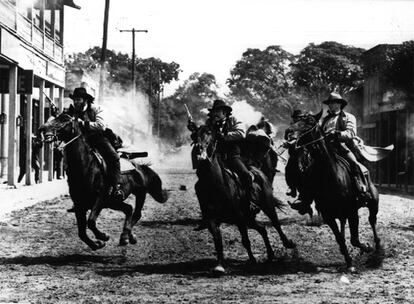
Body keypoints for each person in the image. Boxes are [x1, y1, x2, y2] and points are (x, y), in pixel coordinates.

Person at [290, 92, 370, 214]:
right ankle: (305, 199)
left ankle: (362, 191)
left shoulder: (348, 117)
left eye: (333, 103)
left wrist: (337, 134)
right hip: (325, 149)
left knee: (354, 163)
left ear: (339, 104)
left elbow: (351, 133)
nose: (331, 106)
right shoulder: (324, 120)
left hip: (342, 147)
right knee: (310, 169)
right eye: (330, 103)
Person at [188, 99, 256, 230]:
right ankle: (206, 218)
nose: (215, 114)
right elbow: (202, 135)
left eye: (218, 111)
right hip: (216, 157)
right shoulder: (209, 123)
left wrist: (224, 135)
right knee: (199, 185)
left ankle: (250, 204)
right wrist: (194, 129)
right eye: (214, 112)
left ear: (225, 112)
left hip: (232, 156)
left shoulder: (234, 120)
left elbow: (241, 133)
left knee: (246, 175)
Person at [68, 87, 124, 201]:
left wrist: (83, 123)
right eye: (74, 100)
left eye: (78, 99)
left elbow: (101, 126)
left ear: (85, 100)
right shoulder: (72, 111)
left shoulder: (97, 109)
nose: (76, 102)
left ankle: (116, 186)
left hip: (98, 139)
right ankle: (77, 194)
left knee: (113, 157)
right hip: (81, 141)